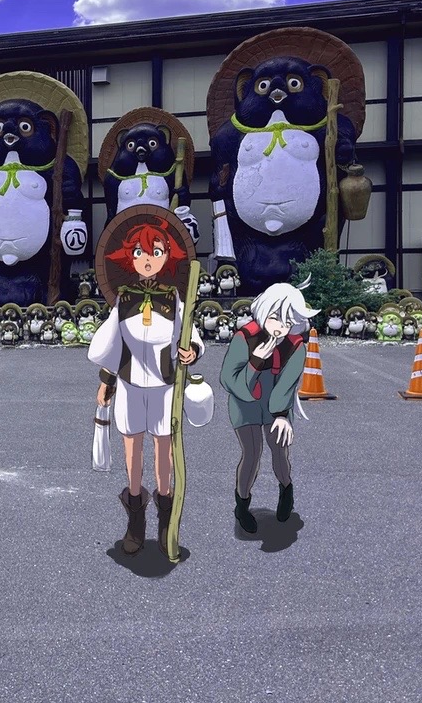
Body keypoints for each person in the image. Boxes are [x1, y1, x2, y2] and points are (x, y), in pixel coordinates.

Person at [88, 216, 204, 556]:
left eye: (156, 251)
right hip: (129, 385)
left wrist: (191, 351)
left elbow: (190, 336)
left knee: (164, 450)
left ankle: (166, 519)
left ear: (167, 256)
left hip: (165, 386)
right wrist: (106, 383)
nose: (148, 259)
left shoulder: (174, 298)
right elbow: (112, 344)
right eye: (140, 252)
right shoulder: (123, 299)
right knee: (133, 450)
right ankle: (135, 521)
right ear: (131, 257)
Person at [219, 278, 318, 532]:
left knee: (279, 451)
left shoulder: (296, 346)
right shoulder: (244, 337)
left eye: (287, 322)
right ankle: (242, 505)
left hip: (276, 403)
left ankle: (286, 490)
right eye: (275, 318)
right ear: (263, 311)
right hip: (245, 403)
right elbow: (229, 380)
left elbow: (287, 383)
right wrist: (254, 363)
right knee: (251, 454)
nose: (280, 327)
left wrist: (282, 415)